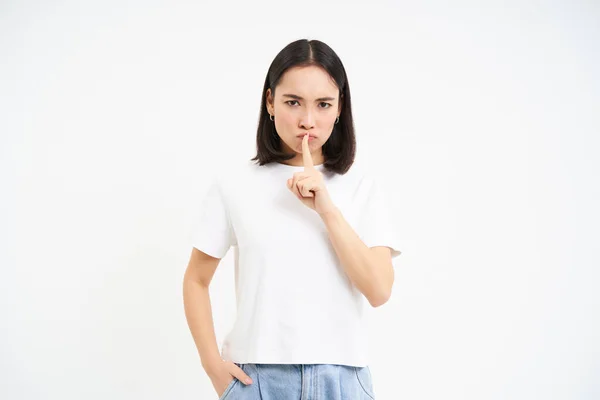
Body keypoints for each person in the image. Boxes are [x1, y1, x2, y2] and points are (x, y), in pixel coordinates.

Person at [183, 38, 402, 399]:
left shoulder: (361, 187)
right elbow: (196, 278)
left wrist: (327, 209)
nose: (307, 120)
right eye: (292, 102)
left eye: (323, 104)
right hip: (257, 380)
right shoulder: (234, 184)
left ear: (339, 108)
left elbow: (379, 290)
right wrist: (213, 368)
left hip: (343, 381)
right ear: (270, 102)